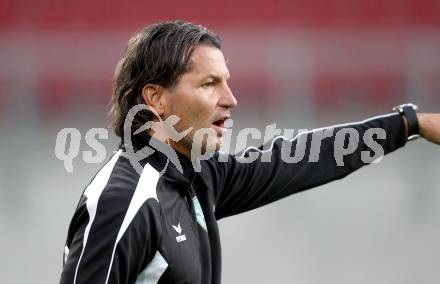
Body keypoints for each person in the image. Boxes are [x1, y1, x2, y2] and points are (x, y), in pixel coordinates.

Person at [59, 20, 440, 284]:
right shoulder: (124, 200)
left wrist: (409, 123)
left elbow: (304, 157)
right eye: (210, 84)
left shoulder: (197, 176)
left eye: (227, 82)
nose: (231, 99)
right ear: (156, 98)